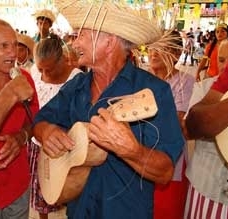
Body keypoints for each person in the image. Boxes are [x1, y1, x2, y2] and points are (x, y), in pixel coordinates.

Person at [33, 1, 184, 219]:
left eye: (82, 34)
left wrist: (131, 151)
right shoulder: (77, 86)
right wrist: (47, 132)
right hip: (78, 209)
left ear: (109, 41)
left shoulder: (154, 92)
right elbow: (39, 122)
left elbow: (165, 172)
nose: (74, 43)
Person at [0, 18, 39, 219]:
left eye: (15, 45)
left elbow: (34, 120)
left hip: (17, 186)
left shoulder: (23, 78)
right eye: (4, 46)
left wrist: (22, 137)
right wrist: (9, 94)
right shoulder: (16, 86)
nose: (13, 52)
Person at [29, 33, 83, 219]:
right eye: (40, 69)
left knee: (62, 192)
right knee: (39, 195)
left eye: (49, 70)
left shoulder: (77, 79)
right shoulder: (35, 73)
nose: (44, 75)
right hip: (36, 144)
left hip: (62, 147)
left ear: (63, 60)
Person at [148, 30, 195, 219]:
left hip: (170, 161)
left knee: (166, 212)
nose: (154, 53)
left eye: (162, 48)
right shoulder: (142, 79)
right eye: (152, 47)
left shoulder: (185, 81)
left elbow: (176, 122)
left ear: (176, 54)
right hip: (139, 160)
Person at [184, 38, 228, 218]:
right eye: (222, 59)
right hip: (207, 189)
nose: (226, 64)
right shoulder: (205, 87)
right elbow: (188, 129)